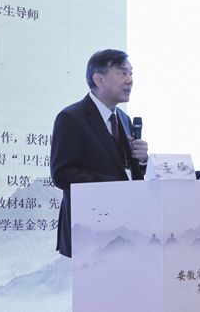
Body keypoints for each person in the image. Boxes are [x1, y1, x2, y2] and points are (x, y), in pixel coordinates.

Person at [50, 49, 149, 257]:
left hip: (125, 228)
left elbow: (126, 170)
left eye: (131, 73)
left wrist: (141, 162)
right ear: (99, 79)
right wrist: (112, 185)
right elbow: (62, 174)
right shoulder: (71, 117)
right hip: (89, 231)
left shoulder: (124, 119)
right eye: (123, 73)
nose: (130, 80)